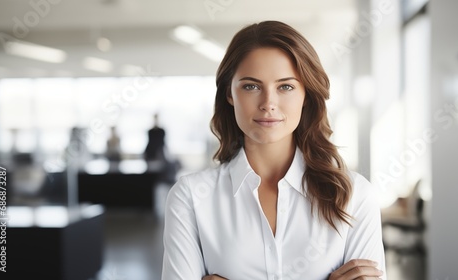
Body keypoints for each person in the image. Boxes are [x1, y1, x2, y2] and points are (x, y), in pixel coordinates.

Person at [162, 21, 386, 280]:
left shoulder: (355, 196)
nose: (268, 103)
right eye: (251, 86)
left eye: (286, 87)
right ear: (229, 94)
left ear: (306, 95)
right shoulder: (189, 198)